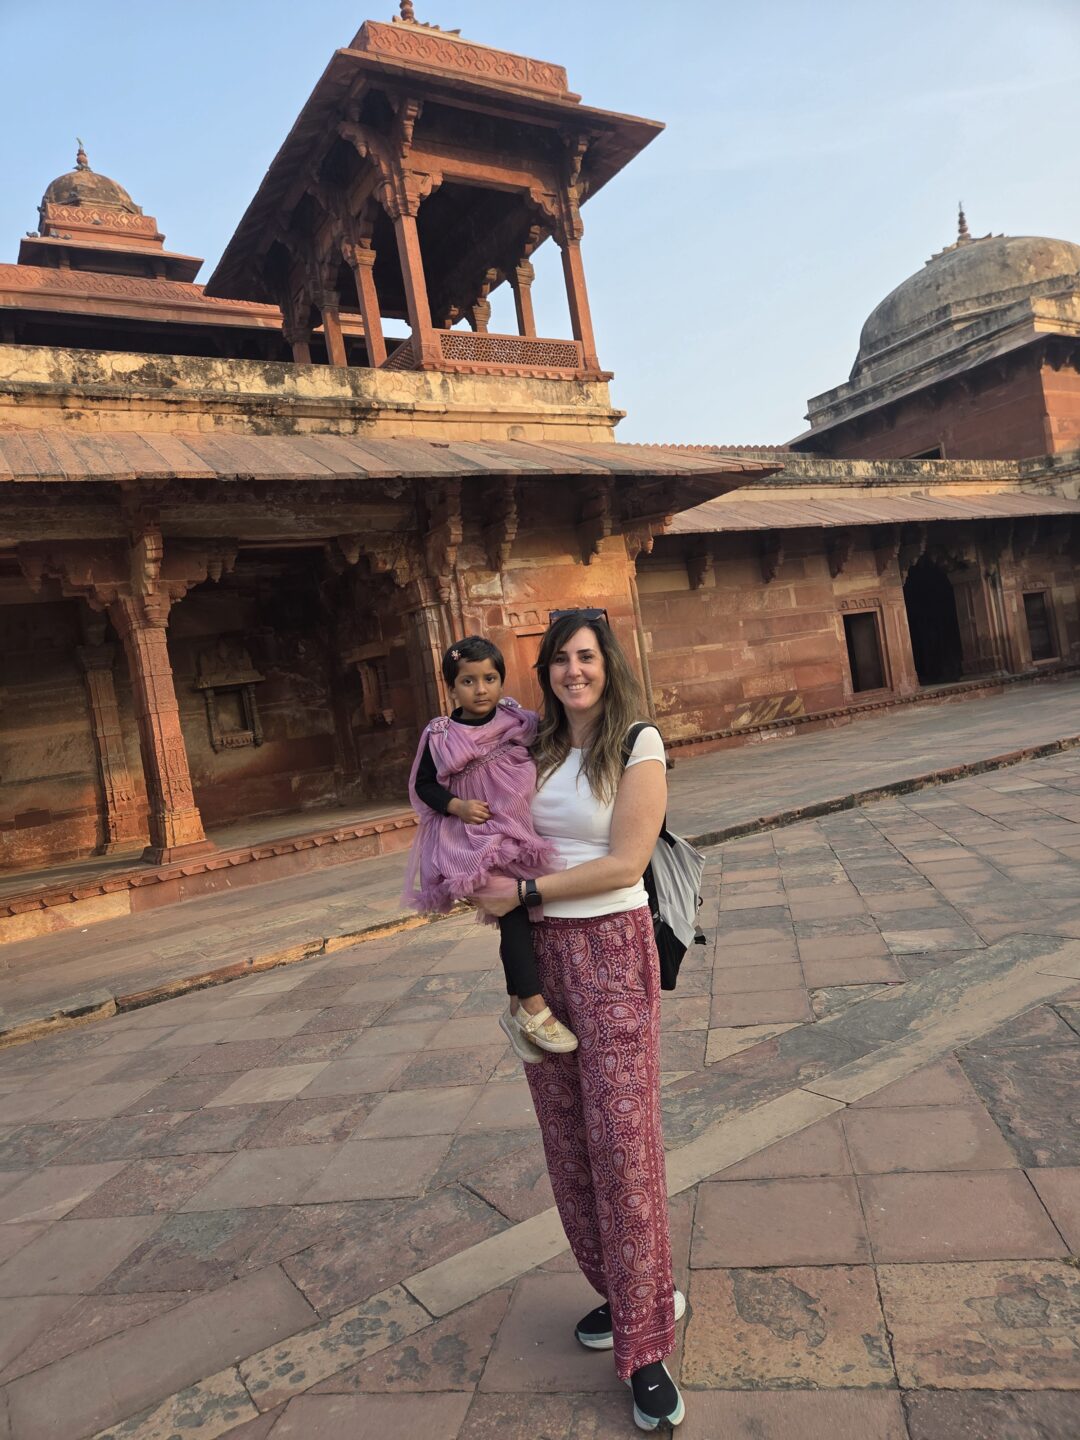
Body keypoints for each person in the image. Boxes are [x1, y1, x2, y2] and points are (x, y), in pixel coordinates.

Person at [476, 610, 686, 1433]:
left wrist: (522, 893)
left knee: (623, 1143)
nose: (574, 671)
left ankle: (647, 1347)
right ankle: (633, 1288)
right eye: (561, 659)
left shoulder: (638, 743)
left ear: (609, 663)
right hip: (541, 960)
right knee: (569, 1145)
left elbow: (628, 860)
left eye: (587, 657)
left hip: (610, 950)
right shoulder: (534, 749)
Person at [402, 635, 578, 1060]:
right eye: (468, 681)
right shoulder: (442, 734)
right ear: (451, 687)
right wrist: (456, 805)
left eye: (490, 678)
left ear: (501, 680)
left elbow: (552, 743)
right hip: (475, 836)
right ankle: (533, 1007)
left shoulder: (518, 720)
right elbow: (424, 785)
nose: (480, 689)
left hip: (518, 828)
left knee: (525, 914)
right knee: (511, 909)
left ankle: (516, 1007)